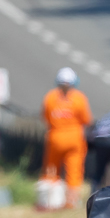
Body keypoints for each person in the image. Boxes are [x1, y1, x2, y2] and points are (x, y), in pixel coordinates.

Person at [43, 67, 93, 207]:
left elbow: (46, 116)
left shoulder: (50, 97)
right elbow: (86, 119)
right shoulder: (79, 98)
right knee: (74, 171)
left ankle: (49, 200)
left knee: (51, 169)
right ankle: (71, 201)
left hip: (55, 137)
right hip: (74, 139)